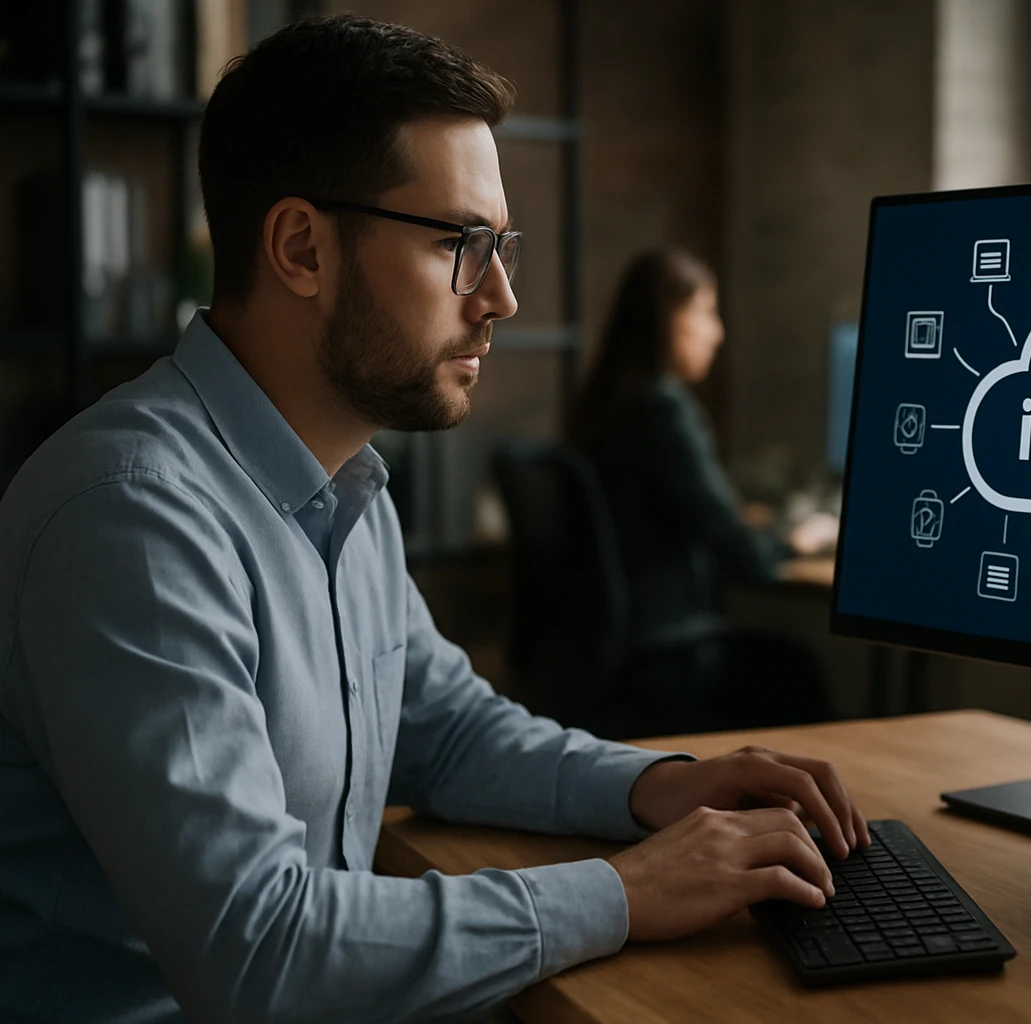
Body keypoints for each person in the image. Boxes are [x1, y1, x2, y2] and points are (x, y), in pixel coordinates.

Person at [0, 16, 869, 1024]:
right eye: (461, 244)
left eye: (502, 247)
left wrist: (662, 786)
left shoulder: (345, 484)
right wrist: (626, 892)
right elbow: (257, 952)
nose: (501, 296)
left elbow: (447, 732)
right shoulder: (132, 518)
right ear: (301, 248)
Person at [566, 250, 839, 735]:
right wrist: (795, 540)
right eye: (706, 312)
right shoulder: (663, 409)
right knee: (797, 672)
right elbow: (742, 555)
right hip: (666, 661)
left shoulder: (602, 405)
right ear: (668, 318)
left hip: (606, 655)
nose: (718, 333)